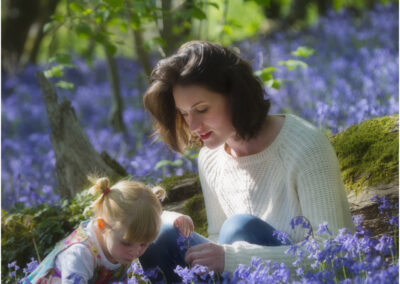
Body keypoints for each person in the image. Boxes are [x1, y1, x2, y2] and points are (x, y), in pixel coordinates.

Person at [140, 40, 355, 282]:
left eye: (202, 109)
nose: (193, 126)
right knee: (157, 234)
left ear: (235, 96)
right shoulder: (210, 158)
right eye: (184, 113)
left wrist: (232, 258)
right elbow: (219, 239)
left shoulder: (305, 145)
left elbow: (333, 255)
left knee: (240, 227)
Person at [26, 176, 191, 283]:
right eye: (127, 243)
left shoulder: (123, 237)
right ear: (101, 226)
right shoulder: (80, 253)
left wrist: (174, 218)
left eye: (145, 244)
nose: (135, 252)